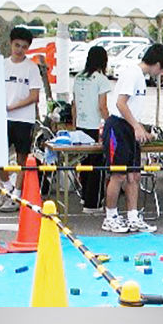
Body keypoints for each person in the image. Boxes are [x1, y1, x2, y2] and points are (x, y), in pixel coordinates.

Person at [101, 43, 163, 233]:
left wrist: (140, 129)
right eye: (162, 68)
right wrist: (136, 126)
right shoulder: (132, 73)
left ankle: (133, 216)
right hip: (118, 127)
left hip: (129, 128)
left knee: (134, 175)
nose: (161, 73)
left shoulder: (140, 77)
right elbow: (121, 103)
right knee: (118, 174)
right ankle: (110, 217)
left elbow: (132, 107)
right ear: (157, 64)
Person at [0, 27, 42, 212]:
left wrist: (12, 106)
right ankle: (7, 187)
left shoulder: (32, 67)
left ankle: (17, 193)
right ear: (10, 43)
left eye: (24, 47)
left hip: (24, 119)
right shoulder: (1, 65)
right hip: (2, 117)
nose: (20, 49)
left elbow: (34, 96)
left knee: (22, 157)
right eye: (17, 45)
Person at [71, 46, 111, 214]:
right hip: (94, 126)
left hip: (80, 125)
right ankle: (92, 203)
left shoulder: (78, 77)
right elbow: (102, 107)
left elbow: (74, 105)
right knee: (96, 166)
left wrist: (74, 125)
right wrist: (110, 123)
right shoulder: (101, 79)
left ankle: (84, 196)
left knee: (84, 163)